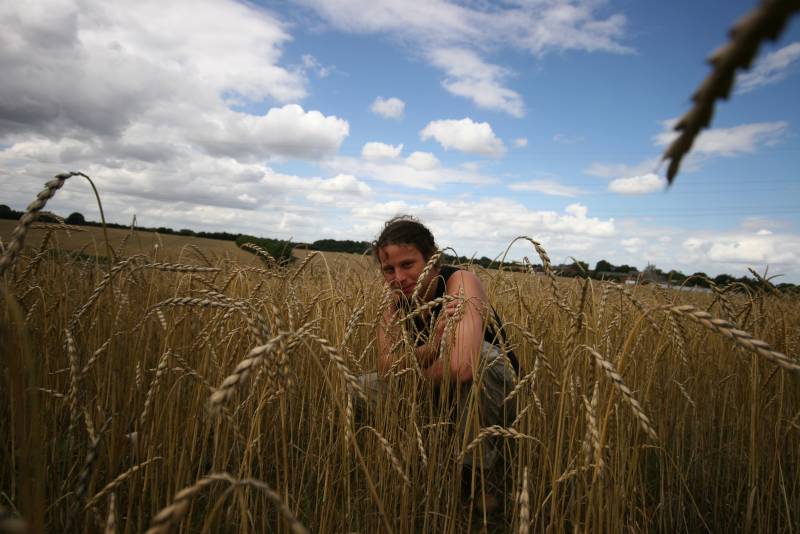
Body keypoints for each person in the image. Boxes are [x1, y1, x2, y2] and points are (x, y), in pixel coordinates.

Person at [360, 215, 518, 513]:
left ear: (432, 261)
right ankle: (397, 463)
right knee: (359, 387)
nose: (399, 277)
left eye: (408, 265)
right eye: (388, 269)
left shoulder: (460, 281)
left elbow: (463, 368)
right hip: (435, 385)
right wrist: (432, 346)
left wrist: (410, 373)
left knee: (480, 358)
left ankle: (478, 480)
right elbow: (385, 368)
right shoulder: (393, 301)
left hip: (497, 395)